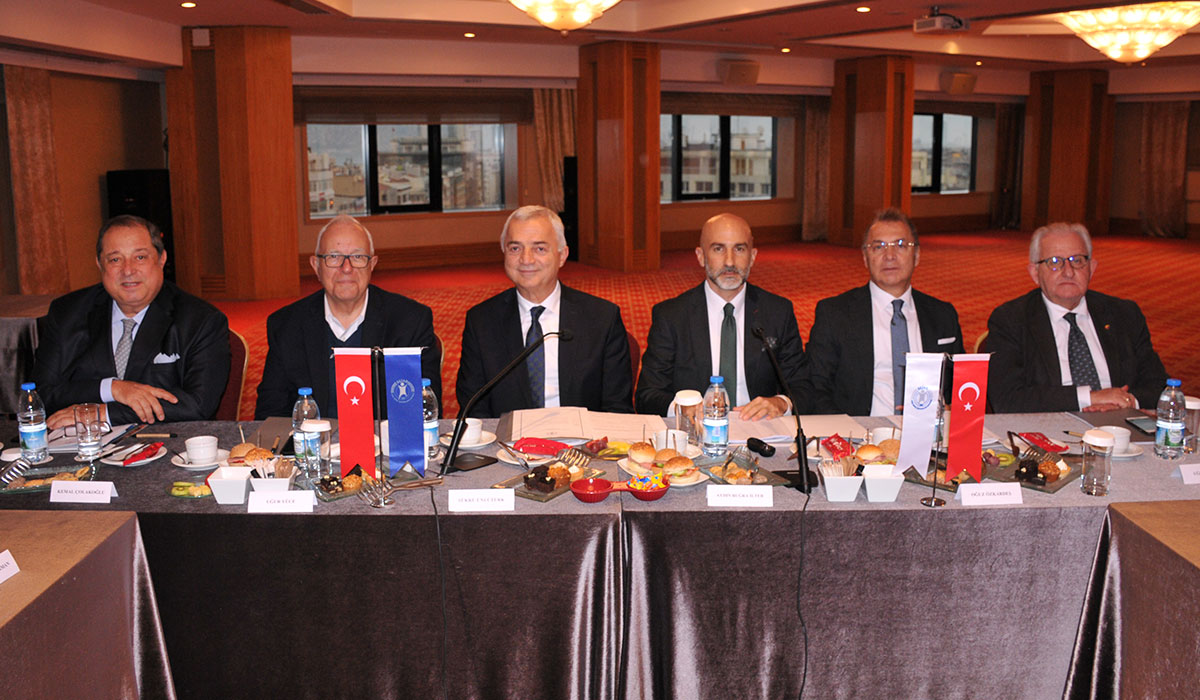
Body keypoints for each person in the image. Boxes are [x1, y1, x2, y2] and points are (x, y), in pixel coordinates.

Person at [36, 215, 230, 428]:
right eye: (115, 259)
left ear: (162, 258)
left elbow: (197, 404)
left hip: (165, 442)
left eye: (140, 257)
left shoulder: (200, 320)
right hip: (79, 441)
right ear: (99, 264)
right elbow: (40, 395)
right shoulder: (67, 313)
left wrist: (102, 413)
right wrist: (112, 389)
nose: (128, 270)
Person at [255, 215, 441, 418]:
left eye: (358, 257)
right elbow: (270, 414)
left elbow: (424, 412)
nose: (346, 268)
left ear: (372, 264)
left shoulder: (410, 321)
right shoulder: (287, 325)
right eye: (333, 257)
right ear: (316, 266)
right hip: (312, 438)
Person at [456, 205, 633, 418]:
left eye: (539, 249)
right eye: (515, 248)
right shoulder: (481, 321)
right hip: (505, 438)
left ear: (562, 255)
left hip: (582, 437)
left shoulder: (602, 318)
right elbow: (474, 410)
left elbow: (617, 408)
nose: (526, 259)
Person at [636, 213, 805, 418]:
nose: (729, 261)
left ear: (752, 256)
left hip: (760, 427)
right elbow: (647, 395)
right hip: (696, 431)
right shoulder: (672, 316)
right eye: (718, 249)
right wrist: (682, 409)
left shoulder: (778, 312)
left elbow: (803, 386)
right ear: (700, 256)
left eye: (739, 249)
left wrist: (781, 403)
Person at [987, 221, 1167, 413]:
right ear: (1035, 273)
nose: (1068, 272)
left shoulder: (1124, 314)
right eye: (1054, 262)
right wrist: (1089, 398)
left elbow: (1160, 386)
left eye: (1078, 261)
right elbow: (1007, 399)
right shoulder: (1011, 320)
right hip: (1052, 425)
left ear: (1092, 268)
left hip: (1119, 423)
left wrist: (1128, 401)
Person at [803, 209, 963, 415]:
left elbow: (960, 386)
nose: (889, 256)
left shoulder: (942, 315)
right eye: (878, 247)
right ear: (865, 257)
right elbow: (816, 387)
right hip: (859, 429)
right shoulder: (834, 314)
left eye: (900, 245)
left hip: (929, 429)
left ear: (916, 255)